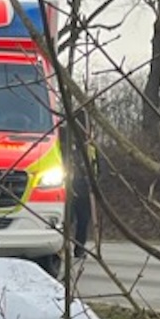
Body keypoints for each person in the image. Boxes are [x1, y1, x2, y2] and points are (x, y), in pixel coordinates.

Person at [67, 110, 98, 259]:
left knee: (83, 220)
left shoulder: (91, 148)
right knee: (68, 219)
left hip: (85, 190)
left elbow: (98, 167)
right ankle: (62, 246)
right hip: (67, 188)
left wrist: (94, 182)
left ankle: (79, 248)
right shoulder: (66, 145)